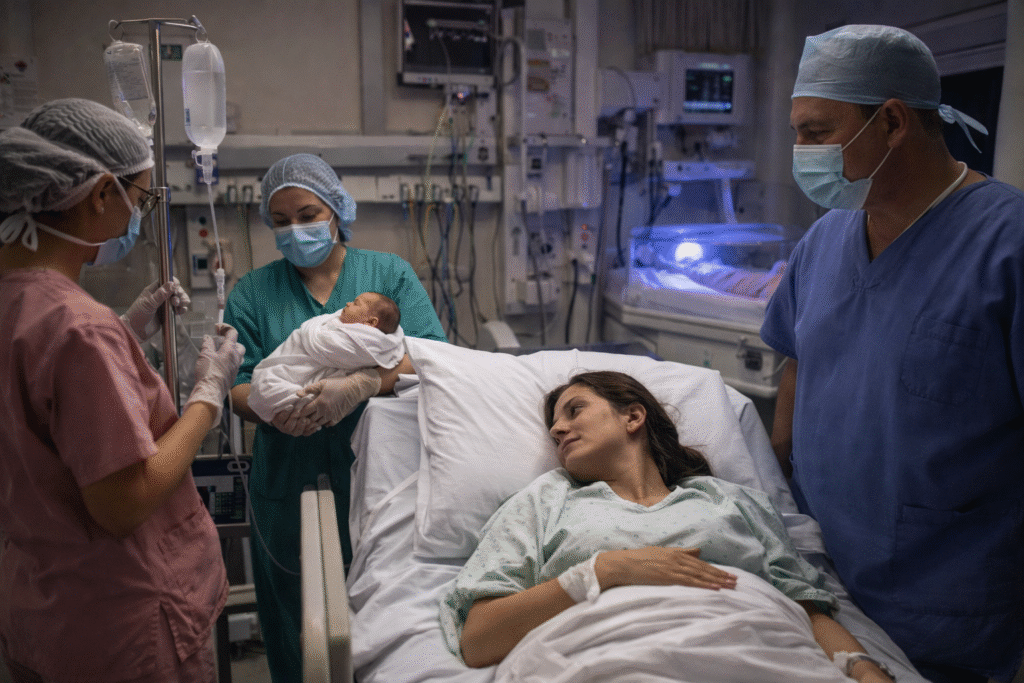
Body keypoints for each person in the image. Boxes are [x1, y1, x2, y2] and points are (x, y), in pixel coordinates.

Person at [760, 24, 1024, 683]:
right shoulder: (825, 241)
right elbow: (798, 364)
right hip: (821, 591)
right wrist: (768, 497)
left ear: (893, 122)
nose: (802, 154)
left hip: (946, 611)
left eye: (817, 133)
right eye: (797, 133)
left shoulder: (1007, 246)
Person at [0, 98, 245, 682]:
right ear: (102, 194)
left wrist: (125, 338)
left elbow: (35, 411)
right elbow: (124, 503)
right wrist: (207, 398)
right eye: (142, 198)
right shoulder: (78, 329)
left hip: (43, 605)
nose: (140, 214)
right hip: (121, 622)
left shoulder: (25, 306)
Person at [440, 371, 896, 682]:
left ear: (633, 416)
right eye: (554, 426)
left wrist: (862, 668)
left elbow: (808, 609)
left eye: (573, 411)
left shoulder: (731, 500)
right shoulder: (544, 500)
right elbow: (478, 640)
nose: (558, 430)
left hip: (760, 649)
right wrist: (603, 571)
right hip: (601, 656)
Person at [224, 152, 446, 682]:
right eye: (280, 221)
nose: (294, 230)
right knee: (298, 628)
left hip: (381, 475)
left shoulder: (388, 275)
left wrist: (362, 385)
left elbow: (433, 357)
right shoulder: (252, 292)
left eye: (307, 215)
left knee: (385, 620)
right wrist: (273, 410)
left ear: (336, 210)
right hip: (286, 477)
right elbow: (236, 383)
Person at [248, 291, 405, 423]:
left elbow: (416, 358)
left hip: (351, 429)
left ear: (370, 322)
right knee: (268, 381)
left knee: (273, 388)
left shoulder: (368, 345)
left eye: (355, 303)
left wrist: (360, 385)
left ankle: (298, 407)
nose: (348, 303)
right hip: (296, 362)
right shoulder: (336, 322)